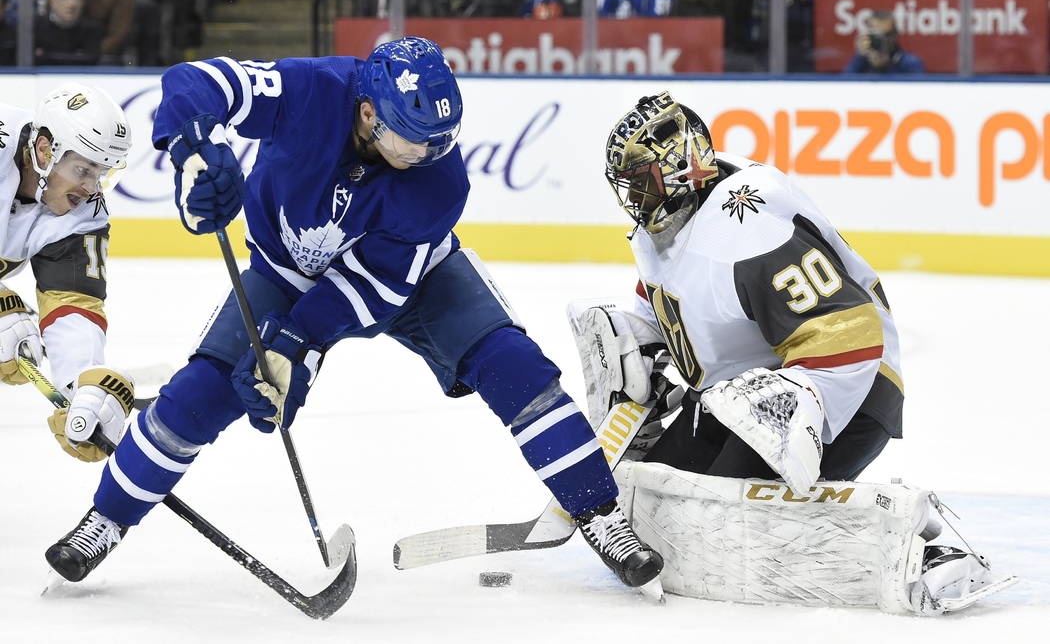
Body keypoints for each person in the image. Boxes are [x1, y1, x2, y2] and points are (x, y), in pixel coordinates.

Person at [44, 37, 664, 594]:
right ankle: (106, 519)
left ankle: (600, 512)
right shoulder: (311, 90)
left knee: (514, 366)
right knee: (200, 394)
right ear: (368, 112)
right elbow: (197, 80)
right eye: (415, 136)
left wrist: (296, 344)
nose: (432, 151)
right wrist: (192, 150)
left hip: (413, 277)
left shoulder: (439, 180)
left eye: (441, 137)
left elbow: (375, 288)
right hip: (283, 269)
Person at [590, 90, 903, 492]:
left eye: (641, 181)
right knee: (655, 501)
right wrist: (641, 348)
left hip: (851, 390)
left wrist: (795, 408)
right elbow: (680, 288)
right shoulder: (679, 210)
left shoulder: (751, 228)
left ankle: (916, 540)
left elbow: (847, 337)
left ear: (680, 167)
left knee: (712, 520)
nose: (634, 197)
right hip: (738, 395)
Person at [0, 82, 135, 465]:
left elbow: (71, 306)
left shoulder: (82, 214)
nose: (91, 188)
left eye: (101, 173)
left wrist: (81, 386)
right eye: (83, 170)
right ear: (45, 149)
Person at [34, 0, 103, 66]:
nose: (71, 4)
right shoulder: (35, 27)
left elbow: (91, 61)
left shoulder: (91, 30)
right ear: (52, 1)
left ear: (83, 3)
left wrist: (46, 56)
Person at [844, 10, 925, 74]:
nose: (880, 40)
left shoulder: (910, 63)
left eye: (886, 35)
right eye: (875, 36)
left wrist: (887, 65)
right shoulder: (860, 61)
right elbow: (844, 85)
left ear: (895, 34)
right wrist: (862, 57)